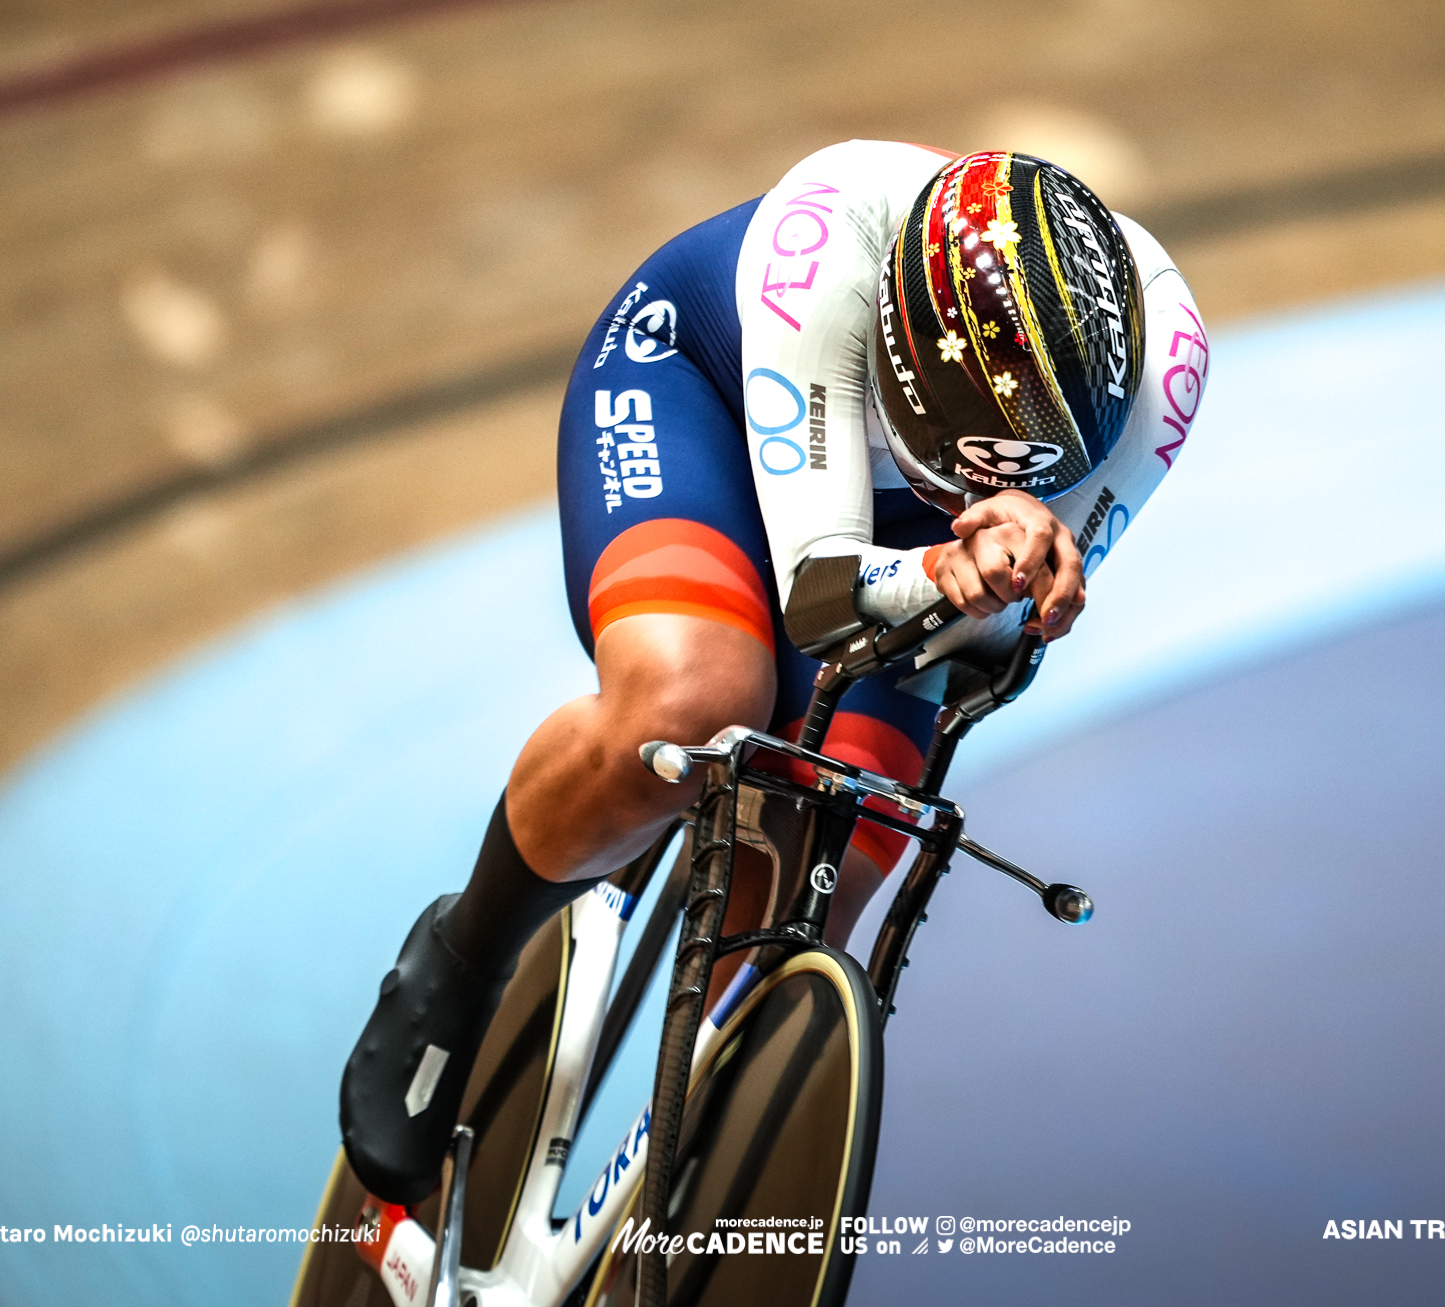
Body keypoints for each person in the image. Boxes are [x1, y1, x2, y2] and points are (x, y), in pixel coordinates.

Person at [339, 141, 1209, 1205]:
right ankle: (462, 955)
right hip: (697, 385)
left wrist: (1016, 595)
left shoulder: (1160, 371)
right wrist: (945, 560)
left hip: (891, 519)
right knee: (696, 703)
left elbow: (985, 654)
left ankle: (691, 1168)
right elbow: (819, 594)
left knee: (847, 841)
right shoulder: (827, 243)